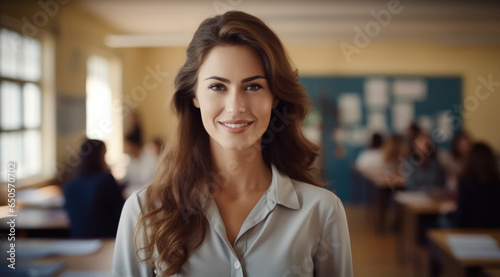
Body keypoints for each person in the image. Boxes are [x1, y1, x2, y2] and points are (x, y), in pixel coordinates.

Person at [113, 11, 352, 277]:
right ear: (194, 96)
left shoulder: (322, 211)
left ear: (275, 97)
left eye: (253, 87)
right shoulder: (144, 212)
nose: (235, 107)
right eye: (217, 87)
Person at [63, 139, 125, 238]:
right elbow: (122, 212)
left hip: (77, 240)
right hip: (107, 240)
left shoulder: (70, 184)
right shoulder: (105, 180)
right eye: (104, 155)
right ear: (98, 157)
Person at [454, 142, 500, 228]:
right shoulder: (497, 182)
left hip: (469, 231)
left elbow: (462, 215)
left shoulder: (466, 182)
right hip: (494, 231)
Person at [405, 132, 446, 197]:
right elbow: (410, 186)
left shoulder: (436, 164)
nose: (423, 144)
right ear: (414, 145)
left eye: (426, 141)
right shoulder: (410, 164)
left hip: (434, 199)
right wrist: (428, 190)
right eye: (420, 142)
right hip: (415, 199)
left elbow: (441, 185)